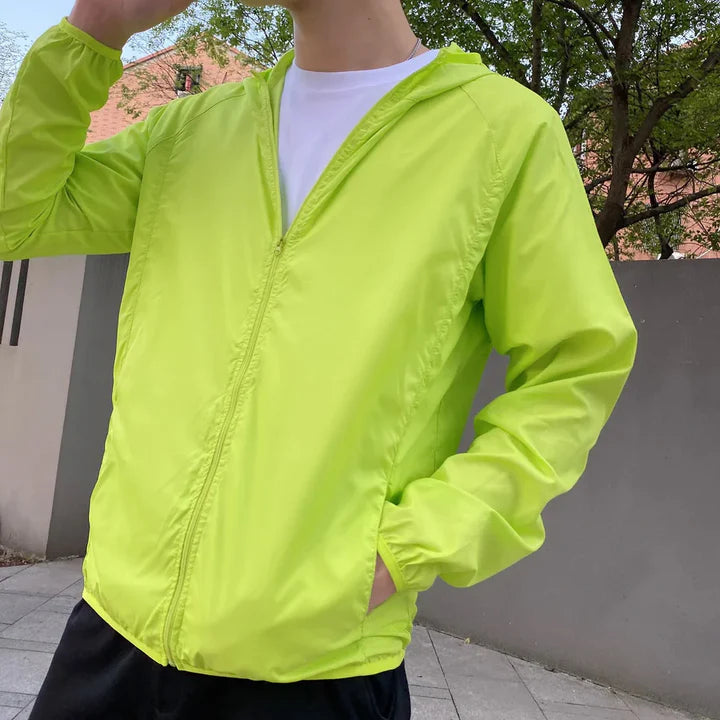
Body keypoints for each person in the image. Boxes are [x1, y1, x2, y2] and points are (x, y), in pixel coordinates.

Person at [0, 0, 638, 718]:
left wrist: (407, 549)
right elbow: (15, 215)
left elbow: (574, 368)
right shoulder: (193, 130)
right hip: (112, 631)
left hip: (314, 671)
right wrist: (97, 26)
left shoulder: (500, 134)